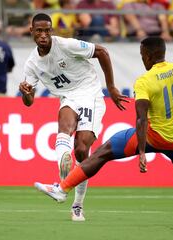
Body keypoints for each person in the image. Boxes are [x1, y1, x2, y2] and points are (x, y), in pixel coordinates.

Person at [34, 36, 173, 225]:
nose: (142, 59)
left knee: (103, 152)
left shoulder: (144, 81)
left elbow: (141, 119)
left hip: (152, 138)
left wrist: (141, 152)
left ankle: (62, 189)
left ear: (149, 56)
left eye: (142, 55)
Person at [19, 13, 128, 221]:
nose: (43, 35)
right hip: (68, 97)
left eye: (47, 30)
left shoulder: (66, 45)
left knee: (81, 150)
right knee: (64, 128)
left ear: (52, 31)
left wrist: (111, 87)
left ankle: (77, 204)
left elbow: (102, 52)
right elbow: (29, 101)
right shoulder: (32, 64)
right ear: (31, 31)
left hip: (90, 94)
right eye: (39, 31)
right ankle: (61, 182)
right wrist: (26, 92)